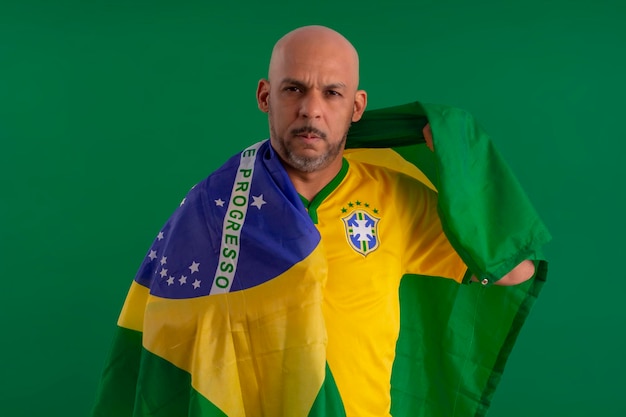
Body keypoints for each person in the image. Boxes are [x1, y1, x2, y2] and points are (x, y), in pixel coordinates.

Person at [91, 25, 549, 417]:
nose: (312, 108)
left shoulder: (394, 199)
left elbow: (513, 270)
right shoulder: (215, 204)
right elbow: (172, 341)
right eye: (294, 89)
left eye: (332, 93)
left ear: (356, 106)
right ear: (265, 96)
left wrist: (463, 171)